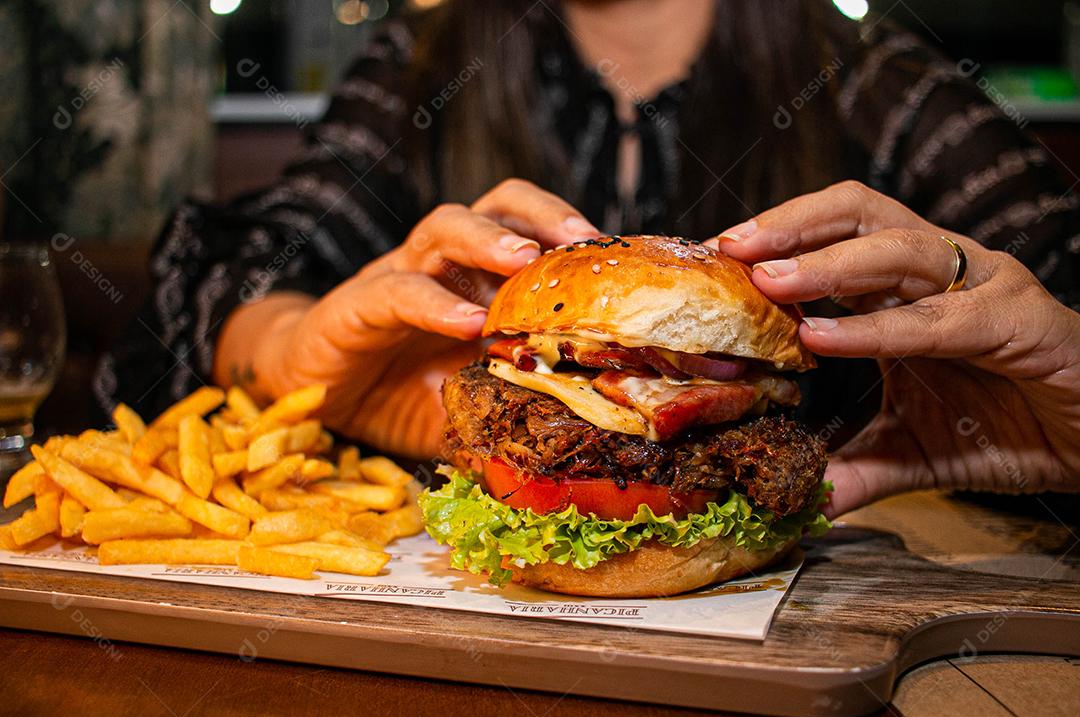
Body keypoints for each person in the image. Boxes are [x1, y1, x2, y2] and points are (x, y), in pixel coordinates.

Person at [96, 0, 1080, 517]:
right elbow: (251, 259)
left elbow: (1051, 274)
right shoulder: (422, 64)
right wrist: (287, 349)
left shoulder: (876, 80)